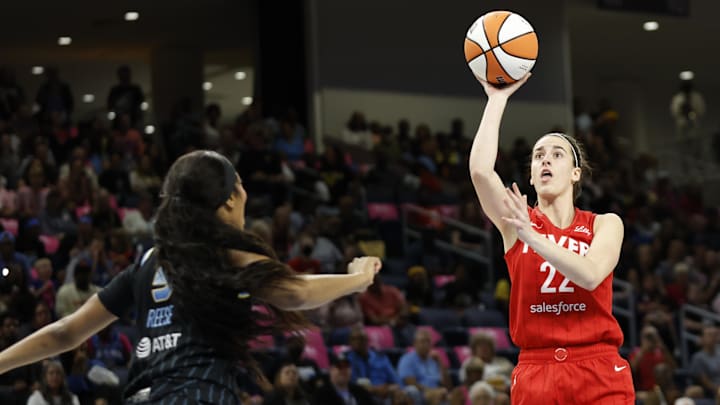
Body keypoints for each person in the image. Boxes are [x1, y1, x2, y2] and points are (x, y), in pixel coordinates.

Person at [0, 150, 381, 404]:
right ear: (230, 197)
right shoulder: (224, 253)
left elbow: (65, 332)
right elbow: (294, 293)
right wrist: (357, 278)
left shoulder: (149, 261)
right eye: (243, 186)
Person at [468, 73, 634, 403]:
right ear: (531, 175)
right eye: (538, 155)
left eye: (557, 154)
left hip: (598, 368)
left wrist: (534, 237)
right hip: (537, 370)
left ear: (575, 173)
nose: (545, 158)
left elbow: (589, 275)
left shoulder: (604, 224)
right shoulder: (517, 221)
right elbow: (480, 172)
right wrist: (497, 99)